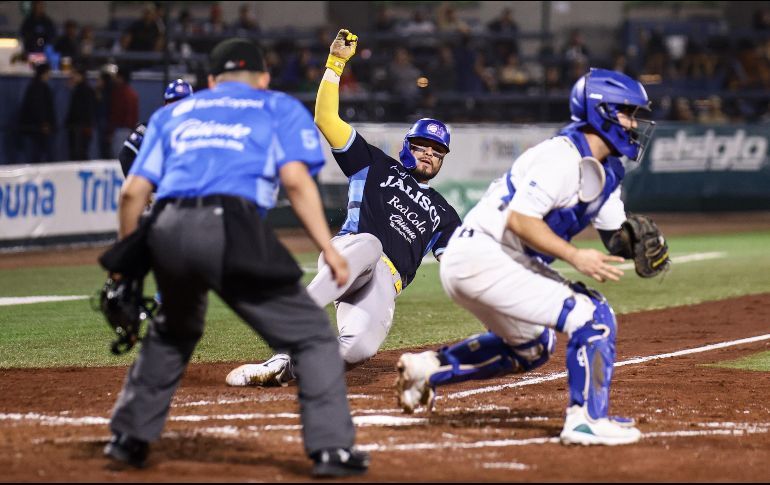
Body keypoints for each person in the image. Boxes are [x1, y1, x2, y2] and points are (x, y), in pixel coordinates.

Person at [103, 38, 369, 478]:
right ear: (263, 78)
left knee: (172, 332)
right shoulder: (276, 106)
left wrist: (121, 270)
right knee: (312, 337)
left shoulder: (172, 115)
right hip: (230, 224)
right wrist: (328, 248)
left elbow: (132, 193)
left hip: (167, 228)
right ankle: (331, 450)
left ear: (211, 80)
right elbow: (296, 183)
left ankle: (127, 439)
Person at [395, 68, 670, 446]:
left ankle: (428, 369)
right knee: (593, 315)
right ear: (601, 111)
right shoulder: (562, 156)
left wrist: (637, 245)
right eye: (627, 113)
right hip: (484, 256)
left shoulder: (608, 169)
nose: (633, 123)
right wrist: (576, 256)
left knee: (534, 346)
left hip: (489, 260)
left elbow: (615, 238)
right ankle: (586, 421)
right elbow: (521, 220)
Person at [226, 29, 462, 388]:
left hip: (386, 282)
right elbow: (326, 119)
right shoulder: (374, 163)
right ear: (407, 146)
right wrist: (335, 63)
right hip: (352, 251)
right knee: (372, 244)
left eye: (437, 151)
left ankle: (285, 366)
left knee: (358, 348)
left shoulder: (445, 214)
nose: (429, 153)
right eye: (422, 145)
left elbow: (458, 263)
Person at [118, 79, 194, 177]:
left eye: (183, 102)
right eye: (172, 101)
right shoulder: (150, 129)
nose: (177, 106)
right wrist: (142, 182)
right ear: (165, 104)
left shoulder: (199, 131)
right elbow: (126, 155)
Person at [18, 62, 56, 163]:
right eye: (48, 73)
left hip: (36, 127)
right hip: (38, 128)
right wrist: (44, 123)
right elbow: (38, 107)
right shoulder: (39, 87)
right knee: (39, 155)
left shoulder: (34, 86)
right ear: (43, 73)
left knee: (38, 154)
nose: (49, 75)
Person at [65, 66, 97, 161]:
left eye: (75, 75)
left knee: (79, 152)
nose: (73, 77)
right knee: (78, 152)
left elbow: (84, 110)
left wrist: (87, 125)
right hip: (78, 126)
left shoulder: (84, 90)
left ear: (81, 76)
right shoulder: (79, 89)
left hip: (80, 126)